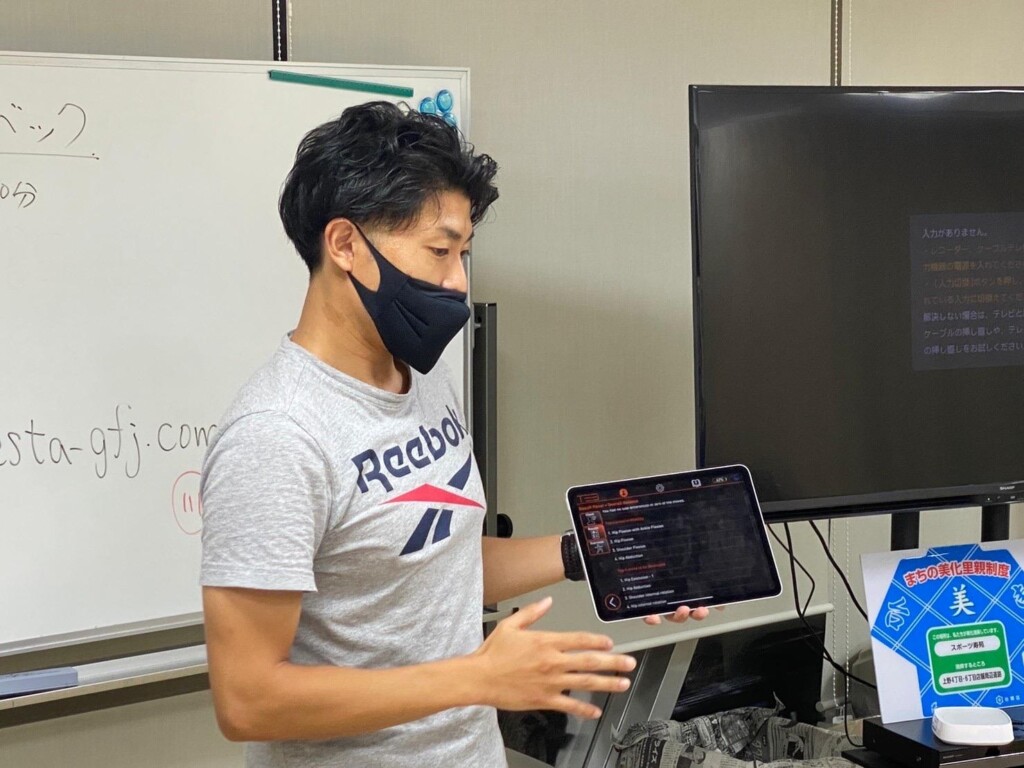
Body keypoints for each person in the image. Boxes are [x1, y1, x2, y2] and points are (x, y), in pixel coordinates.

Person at [200, 101, 708, 767]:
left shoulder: (420, 376)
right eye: (440, 251)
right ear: (345, 244)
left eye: (463, 253)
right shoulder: (275, 437)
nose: (457, 282)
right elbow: (248, 700)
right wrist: (477, 678)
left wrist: (605, 550)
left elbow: (433, 564)